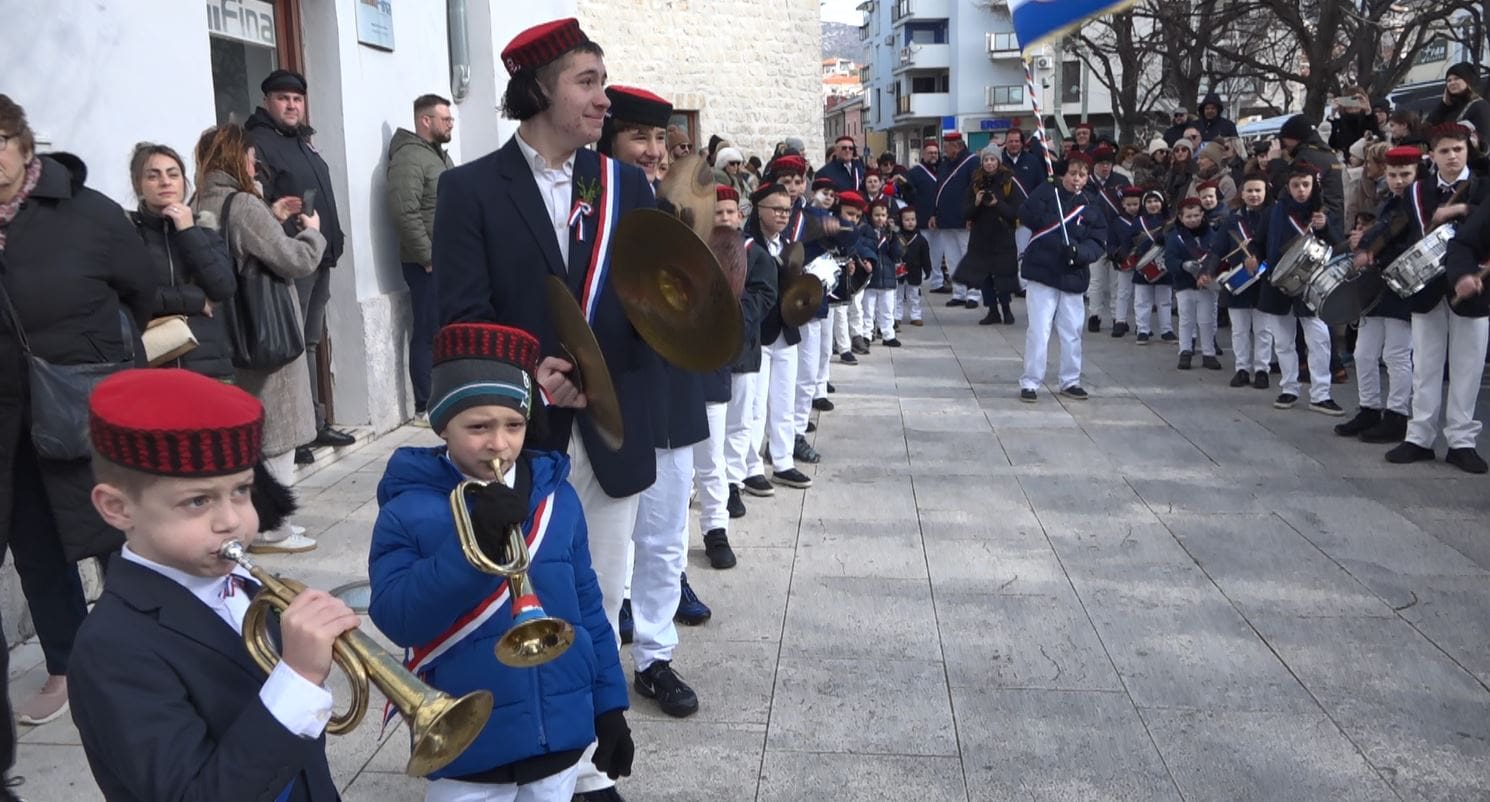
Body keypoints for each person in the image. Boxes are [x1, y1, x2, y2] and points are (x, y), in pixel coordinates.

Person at [367, 323, 634, 800]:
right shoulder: (407, 508)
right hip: (467, 748)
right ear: (442, 426)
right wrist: (475, 552)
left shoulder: (559, 499)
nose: (498, 444)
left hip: (559, 738)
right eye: (477, 427)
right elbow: (396, 615)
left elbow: (589, 610)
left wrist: (609, 706)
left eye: (513, 425)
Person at [70, 368, 355, 802]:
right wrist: (296, 679)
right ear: (117, 508)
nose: (232, 522)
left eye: (241, 491)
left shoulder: (250, 589)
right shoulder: (111, 649)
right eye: (198, 500)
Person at [0, 95, 155, 742]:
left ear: (22, 145)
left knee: (119, 537)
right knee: (34, 547)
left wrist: (89, 360)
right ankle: (66, 664)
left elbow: (138, 293)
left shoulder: (86, 213)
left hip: (82, 406)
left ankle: (142, 659)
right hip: (7, 425)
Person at [596, 84, 710, 716]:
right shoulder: (586, 208)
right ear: (610, 140)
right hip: (608, 393)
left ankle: (655, 658)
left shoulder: (674, 213)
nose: (653, 151)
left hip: (668, 392)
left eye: (660, 139)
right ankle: (599, 656)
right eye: (639, 136)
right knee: (606, 542)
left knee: (665, 536)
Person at [193, 123, 327, 553]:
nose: (256, 165)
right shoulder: (244, 204)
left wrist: (273, 217)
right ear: (237, 158)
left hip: (230, 335)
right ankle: (270, 527)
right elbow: (294, 259)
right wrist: (313, 231)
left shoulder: (201, 202)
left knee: (253, 431)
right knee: (278, 432)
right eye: (251, 157)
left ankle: (264, 521)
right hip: (267, 335)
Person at [245, 69, 354, 463]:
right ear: (267, 102)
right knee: (293, 347)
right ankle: (298, 433)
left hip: (318, 254)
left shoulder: (303, 142)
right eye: (283, 98)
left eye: (297, 99)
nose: (291, 105)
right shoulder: (258, 143)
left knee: (309, 343)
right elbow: (261, 207)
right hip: (290, 260)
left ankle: (314, 422)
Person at [1381, 123, 1488, 473]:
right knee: (1425, 364)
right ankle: (1420, 436)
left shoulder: (1484, 187)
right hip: (1426, 287)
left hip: (1473, 285)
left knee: (1467, 367)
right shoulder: (1418, 191)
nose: (1452, 156)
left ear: (1468, 149)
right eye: (1444, 151)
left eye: (1458, 149)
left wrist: (1458, 211)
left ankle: (1461, 441)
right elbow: (1403, 230)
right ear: (1432, 155)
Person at [127, 142, 237, 379]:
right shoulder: (128, 234)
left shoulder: (204, 229)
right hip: (155, 364)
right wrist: (195, 300)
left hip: (208, 364)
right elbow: (134, 297)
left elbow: (223, 287)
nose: (165, 182)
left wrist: (188, 231)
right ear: (139, 185)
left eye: (173, 174)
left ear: (184, 182)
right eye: (153, 176)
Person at [706, 186, 776, 557]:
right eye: (718, 213)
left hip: (743, 349)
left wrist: (735, 318)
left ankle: (732, 481)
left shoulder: (754, 254)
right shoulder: (699, 247)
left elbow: (764, 293)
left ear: (740, 214)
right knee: (710, 432)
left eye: (731, 212)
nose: (726, 218)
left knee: (739, 423)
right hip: (706, 355)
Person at [1341, 149, 1420, 442]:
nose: (1399, 181)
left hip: (1402, 285)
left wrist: (1370, 245)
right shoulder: (1390, 203)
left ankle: (1397, 415)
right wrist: (1365, 243)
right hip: (1379, 286)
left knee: (1397, 354)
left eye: (1406, 174)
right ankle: (1369, 408)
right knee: (1364, 352)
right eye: (1393, 174)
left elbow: (1412, 243)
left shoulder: (1418, 204)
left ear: (1417, 173)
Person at [739, 182, 814, 491]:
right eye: (777, 209)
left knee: (784, 399)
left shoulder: (787, 244)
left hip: (786, 330)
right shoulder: (746, 244)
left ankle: (783, 461)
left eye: (787, 209)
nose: (784, 215)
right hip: (759, 333)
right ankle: (750, 465)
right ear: (759, 210)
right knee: (754, 405)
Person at [386, 93, 456, 426]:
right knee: (427, 332)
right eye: (445, 119)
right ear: (424, 121)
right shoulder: (410, 158)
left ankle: (446, 396)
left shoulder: (437, 156)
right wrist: (427, 256)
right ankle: (424, 405)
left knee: (444, 330)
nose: (451, 124)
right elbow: (404, 211)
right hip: (426, 264)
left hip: (447, 260)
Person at [1017, 152, 1106, 403]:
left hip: (1072, 274)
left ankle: (1070, 380)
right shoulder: (1048, 193)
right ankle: (1031, 381)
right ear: (1062, 174)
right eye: (1072, 173)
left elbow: (1098, 242)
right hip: (1042, 271)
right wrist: (1044, 190)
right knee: (1039, 330)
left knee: (1072, 330)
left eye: (1082, 174)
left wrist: (1079, 253)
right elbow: (1026, 215)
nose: (1077, 179)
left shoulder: (1092, 205)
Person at [1260, 161, 1343, 415]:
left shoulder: (1323, 213)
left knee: (1319, 339)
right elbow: (1258, 242)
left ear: (1313, 186)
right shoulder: (1274, 212)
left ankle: (1321, 393)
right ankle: (1289, 388)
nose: (1300, 190)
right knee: (1283, 340)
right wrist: (1253, 257)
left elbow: (1339, 245)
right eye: (1295, 185)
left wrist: (1325, 227)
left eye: (1305, 184)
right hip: (1277, 280)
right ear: (1288, 186)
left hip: (1311, 284)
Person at [1207, 173, 1273, 387]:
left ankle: (1262, 369)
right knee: (1239, 329)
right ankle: (1242, 368)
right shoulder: (1232, 219)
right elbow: (1218, 249)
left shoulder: (1271, 217)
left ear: (1265, 192)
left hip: (1263, 280)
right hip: (1239, 280)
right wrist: (1208, 270)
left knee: (1263, 329)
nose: (1254, 195)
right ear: (1242, 194)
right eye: (1250, 191)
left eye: (1258, 190)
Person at [958, 145, 1020, 326]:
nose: (989, 163)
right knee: (984, 276)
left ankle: (1006, 310)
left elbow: (1014, 212)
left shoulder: (1008, 182)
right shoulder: (976, 183)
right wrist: (976, 203)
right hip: (981, 237)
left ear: (998, 161)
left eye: (993, 159)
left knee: (1004, 275)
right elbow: (965, 213)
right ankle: (992, 311)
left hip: (1003, 236)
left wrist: (996, 204)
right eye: (986, 160)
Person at [1167, 197, 1221, 370]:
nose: (1193, 219)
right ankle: (1185, 351)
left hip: (1206, 283)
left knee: (1207, 320)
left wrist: (1210, 272)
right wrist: (1183, 265)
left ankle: (1208, 353)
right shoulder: (1174, 237)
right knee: (1186, 320)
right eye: (1188, 216)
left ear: (1202, 215)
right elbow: (1169, 260)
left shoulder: (1212, 234)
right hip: (1184, 284)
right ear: (1181, 218)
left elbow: (1217, 255)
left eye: (1196, 215)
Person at [1085, 145, 1131, 332]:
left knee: (1116, 281)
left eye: (1109, 164)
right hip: (1094, 236)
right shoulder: (1086, 182)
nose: (1105, 168)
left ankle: (1116, 316)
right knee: (1095, 280)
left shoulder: (1121, 181)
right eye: (1102, 164)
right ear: (1094, 165)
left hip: (1117, 237)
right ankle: (1094, 315)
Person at [934, 132, 980, 308]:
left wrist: (973, 215)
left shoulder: (972, 162)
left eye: (947, 146)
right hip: (946, 219)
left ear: (958, 146)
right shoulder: (945, 164)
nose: (944, 150)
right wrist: (935, 214)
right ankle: (959, 292)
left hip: (964, 219)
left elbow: (976, 190)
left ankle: (973, 294)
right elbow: (938, 190)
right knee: (952, 258)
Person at [1130, 190, 1175, 344]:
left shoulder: (1170, 221)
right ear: (1144, 205)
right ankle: (1142, 330)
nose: (1153, 204)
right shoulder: (1138, 222)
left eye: (1156, 201)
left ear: (1162, 203)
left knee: (1165, 300)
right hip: (1143, 264)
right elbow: (1130, 241)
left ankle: (1166, 330)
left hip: (1163, 266)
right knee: (1142, 300)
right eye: (1149, 202)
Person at [905, 140, 944, 292]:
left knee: (938, 253)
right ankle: (918, 282)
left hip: (940, 219)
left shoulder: (943, 169)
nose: (933, 155)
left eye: (935, 152)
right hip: (922, 219)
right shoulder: (914, 173)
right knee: (920, 254)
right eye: (930, 153)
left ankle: (937, 282)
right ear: (923, 154)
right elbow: (909, 195)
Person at [863, 200, 901, 346]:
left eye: (883, 215)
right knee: (868, 309)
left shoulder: (890, 233)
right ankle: (866, 334)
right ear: (871, 216)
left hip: (888, 276)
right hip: (871, 277)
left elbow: (897, 254)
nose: (880, 218)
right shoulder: (866, 231)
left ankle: (888, 334)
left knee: (887, 309)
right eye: (877, 215)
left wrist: (894, 237)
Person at [1425, 62, 1490, 138]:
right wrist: (1443, 105)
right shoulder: (1446, 108)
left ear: (1468, 81)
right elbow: (1426, 129)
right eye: (1449, 80)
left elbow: (1485, 139)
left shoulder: (1479, 105)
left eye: (1457, 78)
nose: (1452, 83)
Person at [895, 206, 930, 327]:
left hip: (915, 271)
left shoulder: (921, 239)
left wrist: (928, 269)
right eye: (907, 220)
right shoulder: (897, 237)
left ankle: (916, 316)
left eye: (913, 219)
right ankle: (896, 316)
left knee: (914, 295)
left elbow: (925, 256)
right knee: (897, 295)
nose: (910, 222)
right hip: (899, 270)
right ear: (901, 221)